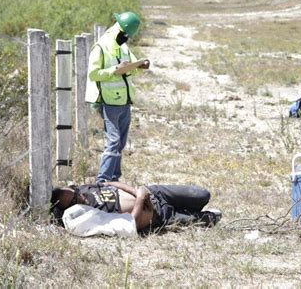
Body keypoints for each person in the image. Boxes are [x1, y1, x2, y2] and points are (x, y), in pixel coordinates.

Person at [85, 12, 150, 184]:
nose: (126, 38)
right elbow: (93, 74)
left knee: (120, 143)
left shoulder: (123, 47)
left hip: (124, 101)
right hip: (108, 102)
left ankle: (114, 178)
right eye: (125, 34)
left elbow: (131, 66)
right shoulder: (100, 48)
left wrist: (140, 66)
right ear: (119, 29)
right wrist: (114, 70)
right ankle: (102, 180)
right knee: (113, 142)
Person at [51, 182, 222, 232]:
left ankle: (193, 208)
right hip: (158, 217)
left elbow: (111, 183)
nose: (78, 198)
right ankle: (201, 215)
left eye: (75, 193)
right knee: (210, 219)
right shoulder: (89, 218)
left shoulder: (84, 189)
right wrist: (140, 200)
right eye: (73, 202)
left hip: (155, 194)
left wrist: (138, 192)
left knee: (202, 195)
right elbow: (130, 223)